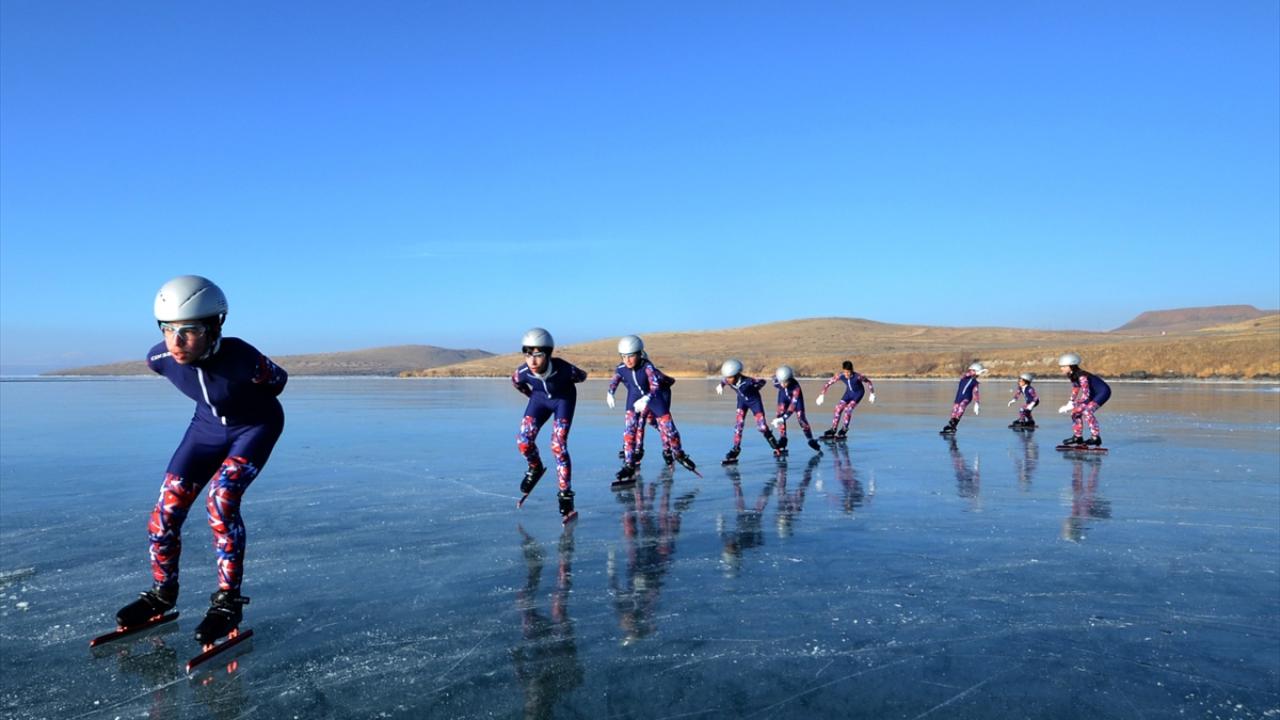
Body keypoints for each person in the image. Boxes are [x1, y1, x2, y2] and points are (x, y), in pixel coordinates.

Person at [115, 275, 287, 644]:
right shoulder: (159, 359)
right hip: (205, 430)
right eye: (167, 330)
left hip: (254, 427)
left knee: (220, 501)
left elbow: (278, 382)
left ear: (214, 327)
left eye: (188, 331)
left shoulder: (244, 358)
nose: (175, 343)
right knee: (163, 517)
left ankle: (228, 602)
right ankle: (162, 593)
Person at [512, 328, 587, 522]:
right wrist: (532, 397)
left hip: (563, 400)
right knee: (523, 441)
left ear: (548, 354)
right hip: (539, 401)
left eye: (538, 355)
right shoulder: (522, 372)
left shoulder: (564, 369)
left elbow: (582, 376)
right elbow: (517, 383)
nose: (533, 361)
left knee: (558, 445)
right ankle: (535, 467)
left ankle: (565, 494)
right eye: (528, 355)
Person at [608, 335, 699, 482]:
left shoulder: (648, 367)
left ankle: (679, 454)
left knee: (670, 430)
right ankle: (629, 465)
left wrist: (646, 398)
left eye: (630, 356)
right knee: (629, 431)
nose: (627, 360)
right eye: (623, 356)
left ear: (639, 354)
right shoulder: (621, 368)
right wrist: (610, 393)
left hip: (654, 398)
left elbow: (655, 386)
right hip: (634, 398)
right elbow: (615, 380)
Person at [716, 359, 782, 464]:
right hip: (742, 402)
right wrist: (721, 385)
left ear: (737, 374)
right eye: (727, 377)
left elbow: (762, 381)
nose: (728, 380)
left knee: (762, 427)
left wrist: (756, 386)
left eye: (730, 377)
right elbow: (724, 381)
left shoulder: (748, 381)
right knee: (738, 426)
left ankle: (775, 445)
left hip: (754, 402)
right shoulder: (728, 380)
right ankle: (735, 449)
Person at [1057, 352, 1112, 447]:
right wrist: (1070, 402)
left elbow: (1086, 395)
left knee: (1087, 412)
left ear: (1071, 366)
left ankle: (1096, 438)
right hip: (1093, 393)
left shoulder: (1082, 376)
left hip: (1102, 392)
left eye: (1063, 366)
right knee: (1075, 413)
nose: (1061, 368)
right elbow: (1076, 388)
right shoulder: (1072, 375)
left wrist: (1072, 405)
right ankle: (1078, 437)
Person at [815, 361, 876, 439]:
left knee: (848, 409)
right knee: (838, 408)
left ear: (852, 371)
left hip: (858, 394)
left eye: (848, 372)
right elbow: (828, 383)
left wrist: (872, 393)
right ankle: (833, 429)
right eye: (845, 372)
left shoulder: (858, 376)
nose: (846, 374)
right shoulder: (841, 376)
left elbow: (869, 382)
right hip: (848, 394)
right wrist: (821, 395)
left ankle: (844, 429)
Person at [771, 365, 822, 453]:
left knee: (801, 418)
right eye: (781, 382)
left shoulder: (796, 388)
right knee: (779, 414)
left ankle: (810, 439)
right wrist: (781, 418)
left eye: (785, 382)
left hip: (796, 401)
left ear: (790, 379)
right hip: (783, 398)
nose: (783, 384)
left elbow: (792, 407)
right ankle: (783, 438)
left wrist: (783, 419)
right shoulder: (776, 382)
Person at [940, 362, 987, 434]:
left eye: (973, 371)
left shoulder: (975, 382)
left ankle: (954, 424)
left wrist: (977, 403)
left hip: (966, 398)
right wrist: (975, 372)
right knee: (954, 412)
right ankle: (952, 426)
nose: (971, 372)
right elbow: (967, 374)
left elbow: (976, 392)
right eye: (971, 370)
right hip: (958, 397)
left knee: (960, 409)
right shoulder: (964, 378)